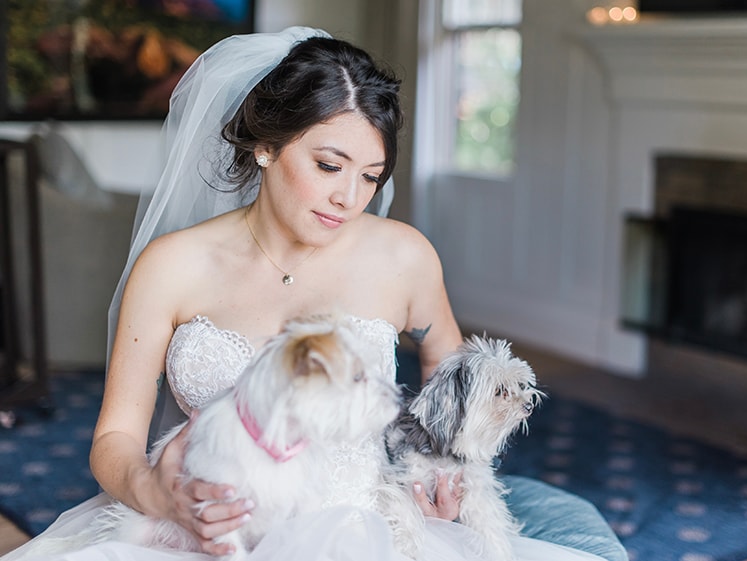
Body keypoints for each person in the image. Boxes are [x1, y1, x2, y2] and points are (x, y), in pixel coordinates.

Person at [1, 27, 627, 561]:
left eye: (371, 177)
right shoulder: (172, 267)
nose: (349, 198)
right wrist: (155, 491)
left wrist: (448, 479)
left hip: (363, 529)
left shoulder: (404, 256)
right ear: (266, 146)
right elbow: (114, 439)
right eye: (329, 166)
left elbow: (456, 395)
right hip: (208, 528)